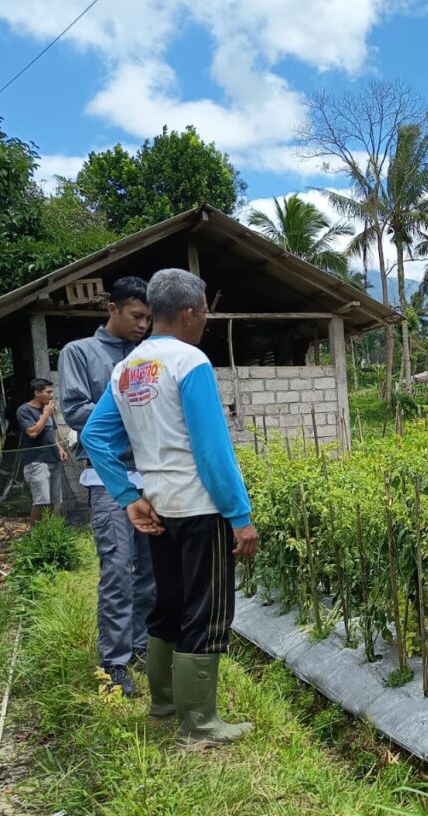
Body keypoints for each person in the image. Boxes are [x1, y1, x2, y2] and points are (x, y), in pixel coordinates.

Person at [82, 268, 258, 750]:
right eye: (204, 311)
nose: (204, 319)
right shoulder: (189, 362)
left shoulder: (127, 369)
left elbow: (95, 437)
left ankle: (162, 708)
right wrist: (239, 516)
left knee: (168, 608)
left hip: (158, 507)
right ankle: (199, 725)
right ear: (189, 312)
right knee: (206, 613)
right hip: (201, 508)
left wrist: (128, 497)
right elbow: (212, 450)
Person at [59, 277, 156, 696]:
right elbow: (76, 410)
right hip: (109, 478)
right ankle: (114, 663)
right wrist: (130, 408)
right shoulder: (79, 353)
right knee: (117, 569)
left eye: (149, 319)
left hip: (152, 476)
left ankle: (142, 645)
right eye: (136, 316)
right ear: (111, 308)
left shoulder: (148, 355)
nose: (143, 326)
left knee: (151, 572)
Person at [16, 379, 67, 523]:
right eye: (48, 392)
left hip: (53, 459)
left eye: (52, 391)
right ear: (37, 393)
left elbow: (51, 433)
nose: (52, 395)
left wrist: (60, 448)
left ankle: (49, 533)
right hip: (36, 461)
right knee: (42, 500)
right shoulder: (24, 410)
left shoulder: (48, 409)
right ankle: (35, 537)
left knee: (55, 500)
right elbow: (32, 433)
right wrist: (45, 415)